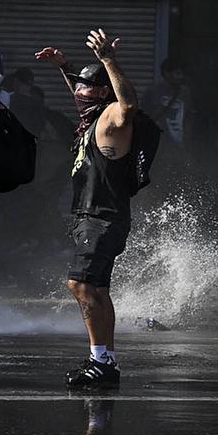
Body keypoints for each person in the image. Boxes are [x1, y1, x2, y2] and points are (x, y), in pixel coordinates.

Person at [35, 29, 139, 390]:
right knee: (96, 289)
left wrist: (109, 60)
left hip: (102, 217)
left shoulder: (112, 116)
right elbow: (81, 95)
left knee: (80, 284)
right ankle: (104, 360)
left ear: (104, 92)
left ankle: (101, 361)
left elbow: (127, 105)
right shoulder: (90, 118)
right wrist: (66, 67)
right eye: (78, 87)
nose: (80, 92)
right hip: (94, 218)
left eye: (88, 87)